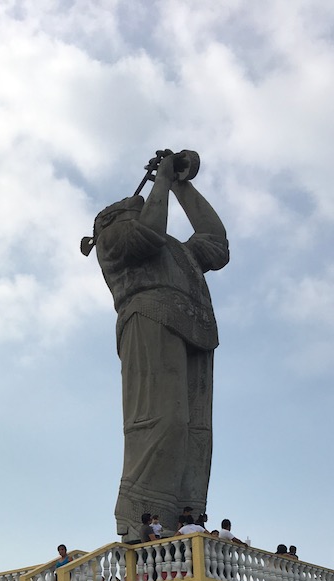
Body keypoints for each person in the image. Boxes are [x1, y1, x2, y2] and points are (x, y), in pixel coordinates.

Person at [87, 150, 229, 536]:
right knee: (162, 419)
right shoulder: (114, 239)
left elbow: (215, 244)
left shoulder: (175, 251)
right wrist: (161, 181)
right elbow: (147, 234)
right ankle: (140, 516)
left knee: (194, 430)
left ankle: (185, 516)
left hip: (195, 328)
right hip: (149, 316)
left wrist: (182, 187)